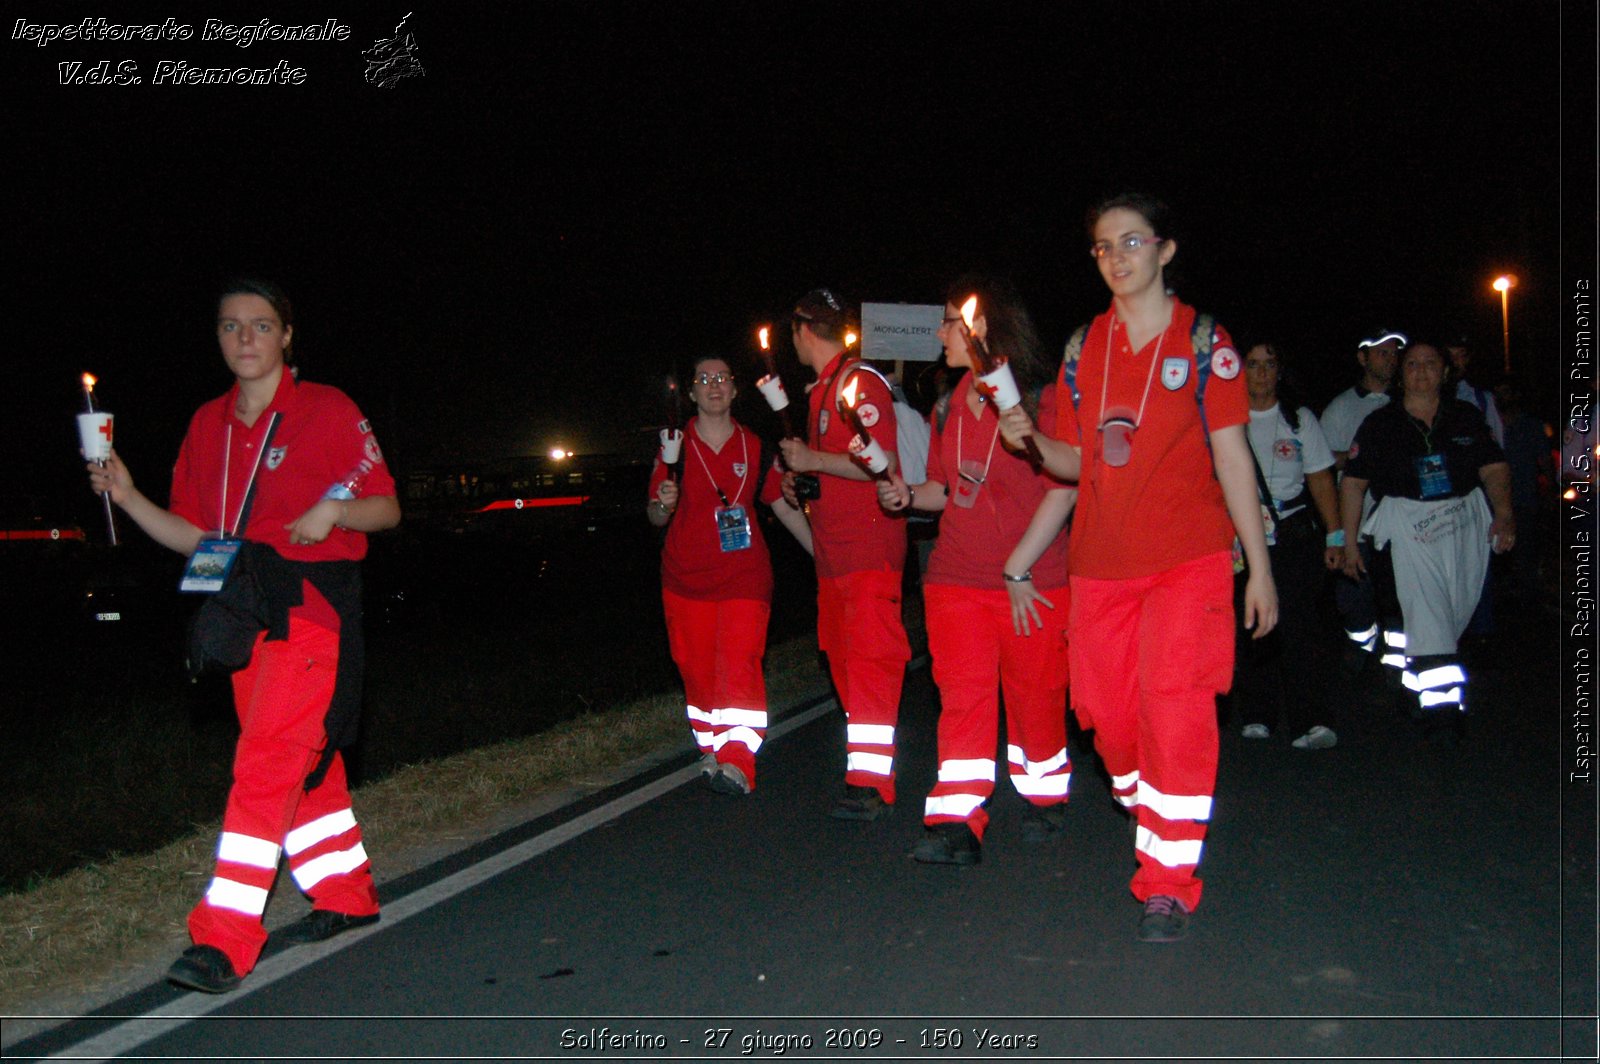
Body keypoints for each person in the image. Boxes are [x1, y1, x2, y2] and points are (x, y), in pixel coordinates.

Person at [86, 278, 400, 993]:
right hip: (241, 612)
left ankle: (224, 940)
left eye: (261, 326)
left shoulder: (326, 408)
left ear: (287, 335)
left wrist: (335, 513)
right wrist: (128, 494)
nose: (246, 339)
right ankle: (347, 896)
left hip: (311, 608)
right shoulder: (208, 425)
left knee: (264, 767)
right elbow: (197, 537)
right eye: (231, 327)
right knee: (303, 767)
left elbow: (385, 508)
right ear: (219, 338)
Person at [999, 193, 1277, 942]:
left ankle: (1168, 882)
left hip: (1187, 562)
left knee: (1175, 708)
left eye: (1130, 242)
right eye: (1102, 247)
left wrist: (1260, 567)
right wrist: (1028, 439)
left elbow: (1232, 457)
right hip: (1101, 567)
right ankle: (1143, 793)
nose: (1116, 258)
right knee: (1107, 715)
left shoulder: (1205, 343)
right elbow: (1073, 462)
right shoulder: (1082, 347)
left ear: (1165, 250)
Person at [876, 275, 1074, 865]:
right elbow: (946, 488)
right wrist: (908, 495)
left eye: (948, 322)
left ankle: (1045, 796)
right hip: (956, 580)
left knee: (1036, 697)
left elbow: (1065, 486)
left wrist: (1020, 568)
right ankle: (956, 820)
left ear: (981, 325)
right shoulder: (946, 402)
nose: (939, 334)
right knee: (963, 699)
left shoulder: (1043, 396)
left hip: (1035, 582)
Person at [770, 287, 910, 821]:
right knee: (844, 660)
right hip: (833, 559)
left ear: (803, 332)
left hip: (868, 554)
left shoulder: (859, 383)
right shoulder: (822, 390)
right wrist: (800, 479)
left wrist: (815, 460)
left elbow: (884, 463)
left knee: (871, 663)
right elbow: (829, 469)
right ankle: (871, 762)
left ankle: (870, 779)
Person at [1339, 341, 1513, 732]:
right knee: (1419, 613)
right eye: (1412, 364)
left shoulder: (1465, 417)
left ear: (1445, 372)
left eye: (1430, 363)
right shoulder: (1380, 424)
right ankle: (1444, 709)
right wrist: (1349, 543)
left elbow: (1494, 469)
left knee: (1447, 612)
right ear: (1401, 375)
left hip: (1460, 524)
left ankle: (1412, 684)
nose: (1421, 371)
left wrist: (1504, 515)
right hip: (1405, 530)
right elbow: (1353, 484)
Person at [648, 356, 781, 796]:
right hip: (686, 582)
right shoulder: (675, 445)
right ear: (691, 393)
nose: (714, 385)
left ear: (735, 389)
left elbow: (779, 502)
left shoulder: (755, 446)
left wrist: (823, 551)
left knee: (739, 665)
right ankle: (712, 746)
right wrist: (664, 502)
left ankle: (740, 760)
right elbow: (654, 515)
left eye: (722, 377)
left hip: (745, 576)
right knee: (697, 669)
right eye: (703, 379)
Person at [1234, 341, 1344, 749]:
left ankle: (1311, 720)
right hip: (1240, 535)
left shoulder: (1299, 421)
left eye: (1269, 364)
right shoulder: (1226, 420)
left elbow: (1320, 477)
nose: (1261, 373)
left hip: (1292, 531)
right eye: (1253, 364)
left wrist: (1335, 534)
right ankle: (1257, 713)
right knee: (1251, 625)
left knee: (1299, 624)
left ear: (1280, 371)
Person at [1321, 328, 1409, 673]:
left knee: (1399, 597)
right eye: (1381, 352)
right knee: (1353, 598)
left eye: (1393, 353)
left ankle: (1397, 662)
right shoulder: (1342, 407)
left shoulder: (1405, 403)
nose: (1389, 359)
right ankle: (1361, 644)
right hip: (1357, 522)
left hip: (1400, 524)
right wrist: (1362, 459)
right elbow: (1323, 465)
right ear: (1363, 358)